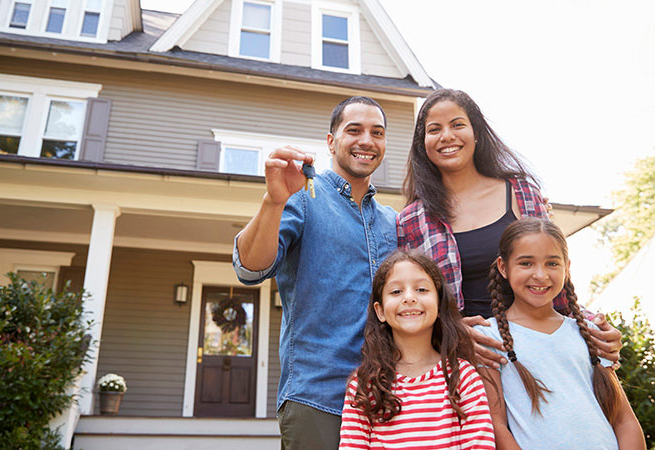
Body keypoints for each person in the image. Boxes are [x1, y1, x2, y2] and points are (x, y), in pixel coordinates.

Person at [397, 88, 622, 369]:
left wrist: (594, 327)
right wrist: (450, 333)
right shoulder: (411, 220)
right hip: (465, 362)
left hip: (536, 351)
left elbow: (555, 279)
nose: (447, 136)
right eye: (434, 129)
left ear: (476, 133)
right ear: (423, 143)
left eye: (457, 125)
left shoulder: (523, 192)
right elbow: (411, 302)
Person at [233, 96, 397, 450]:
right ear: (331, 141)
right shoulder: (303, 197)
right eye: (354, 130)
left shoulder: (392, 221)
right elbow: (249, 268)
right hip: (319, 397)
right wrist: (273, 201)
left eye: (377, 132)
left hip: (387, 399)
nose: (367, 140)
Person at [475, 218, 645, 449]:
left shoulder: (589, 331)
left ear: (567, 268)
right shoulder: (488, 336)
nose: (541, 275)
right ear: (503, 267)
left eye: (552, 264)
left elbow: (624, 420)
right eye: (526, 263)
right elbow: (496, 425)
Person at [339, 248, 495, 449]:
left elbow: (480, 445)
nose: (409, 298)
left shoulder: (463, 376)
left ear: (439, 304)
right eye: (396, 291)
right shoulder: (364, 385)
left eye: (421, 290)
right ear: (380, 311)